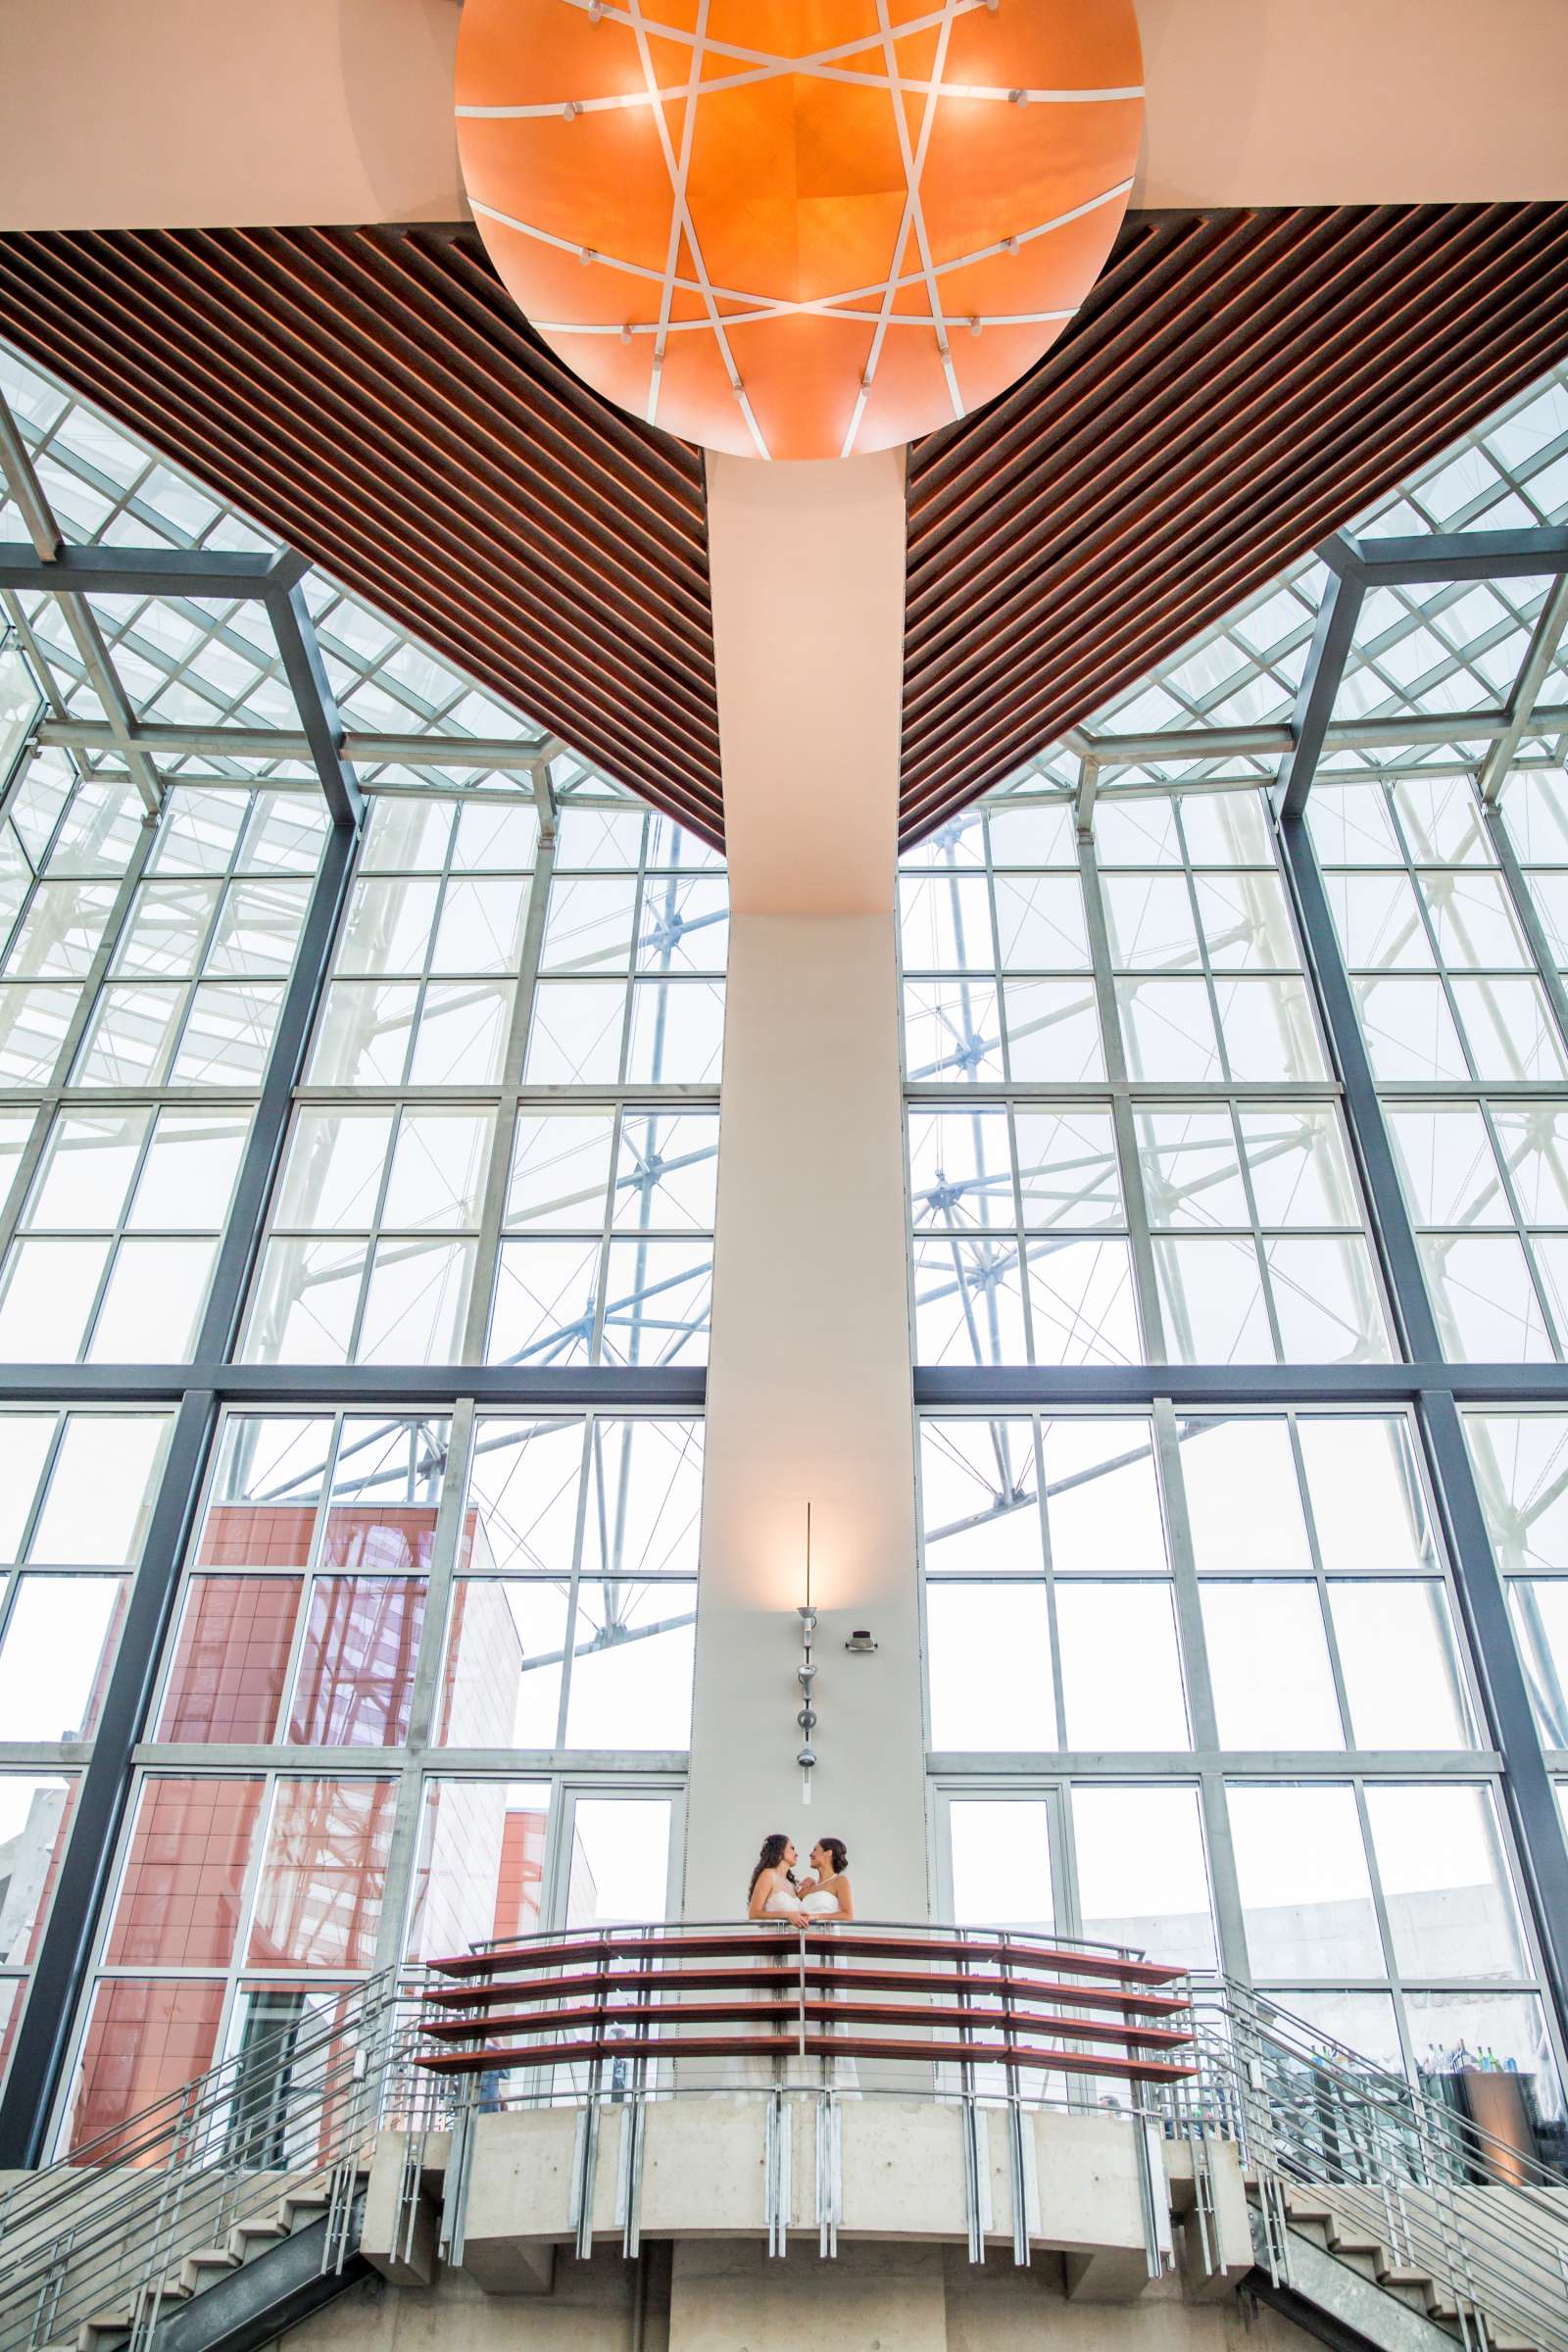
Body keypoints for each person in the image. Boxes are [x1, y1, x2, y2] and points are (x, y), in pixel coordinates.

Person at [798, 1838, 858, 2094]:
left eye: (815, 1850)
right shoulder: (809, 1888)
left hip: (827, 1945)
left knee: (827, 2006)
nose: (810, 1853)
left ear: (828, 1854)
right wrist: (803, 1888)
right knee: (804, 2006)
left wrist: (816, 1917)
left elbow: (847, 1914)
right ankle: (805, 2078)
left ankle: (833, 2079)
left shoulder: (839, 1882)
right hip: (804, 1952)